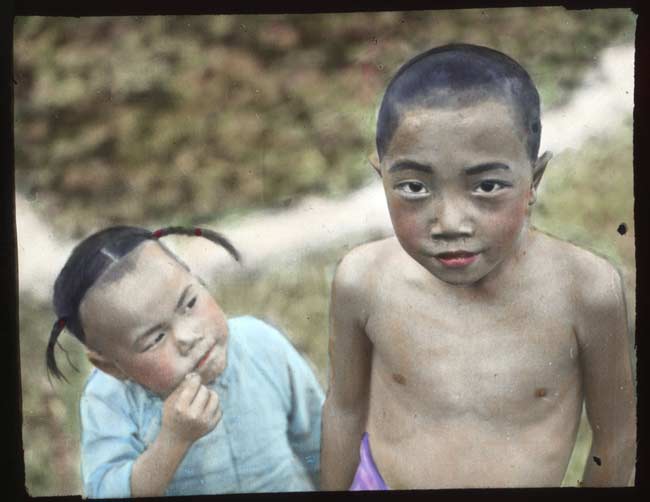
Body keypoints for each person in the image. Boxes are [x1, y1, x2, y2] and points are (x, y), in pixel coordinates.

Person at [321, 43, 636, 489]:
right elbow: (344, 410)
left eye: (487, 185)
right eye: (413, 186)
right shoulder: (364, 280)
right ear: (382, 176)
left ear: (534, 181)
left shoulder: (586, 291)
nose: (450, 223)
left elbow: (617, 437)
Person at [46, 225, 324, 497]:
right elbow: (105, 491)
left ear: (199, 280)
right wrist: (172, 441)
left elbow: (320, 441)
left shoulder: (262, 345)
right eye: (155, 338)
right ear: (112, 367)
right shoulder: (109, 399)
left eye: (189, 303)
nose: (188, 337)